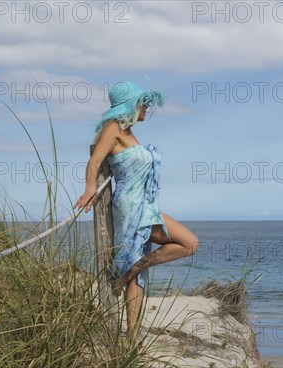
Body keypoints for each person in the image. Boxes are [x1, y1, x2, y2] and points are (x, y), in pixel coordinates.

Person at [74, 80, 199, 347]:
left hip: (146, 204)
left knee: (145, 264)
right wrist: (89, 188)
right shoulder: (113, 128)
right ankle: (128, 276)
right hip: (130, 205)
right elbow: (95, 160)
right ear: (130, 105)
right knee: (189, 243)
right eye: (143, 103)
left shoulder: (130, 133)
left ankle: (131, 335)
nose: (147, 108)